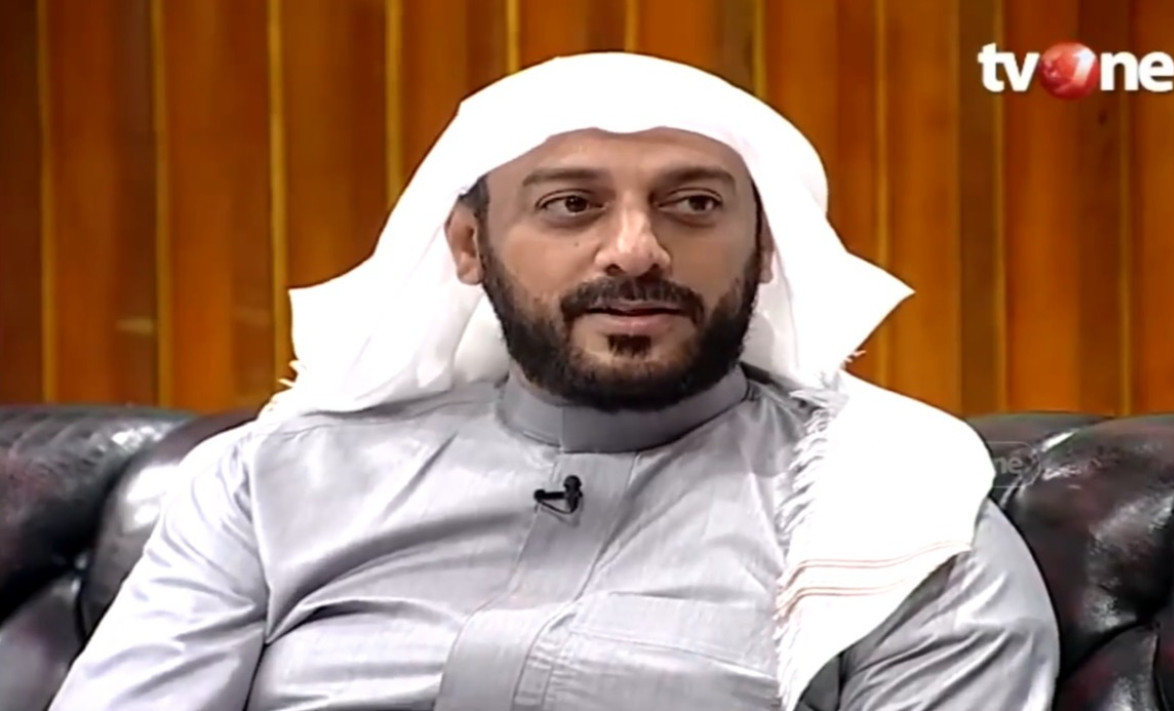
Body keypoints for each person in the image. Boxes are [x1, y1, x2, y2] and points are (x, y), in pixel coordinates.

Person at [51, 53, 1058, 711]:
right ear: (468, 246)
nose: (635, 250)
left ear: (764, 251)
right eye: (571, 205)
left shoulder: (901, 528)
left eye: (693, 205)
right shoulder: (269, 486)